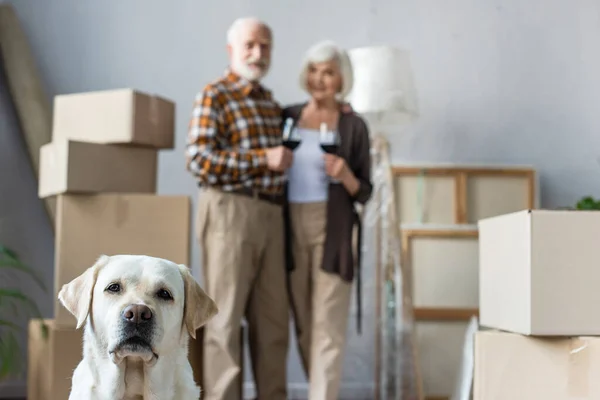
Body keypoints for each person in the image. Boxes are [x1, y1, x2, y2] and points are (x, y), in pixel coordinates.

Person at [185, 17, 292, 400]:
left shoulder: (271, 104)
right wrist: (263, 158)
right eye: (249, 45)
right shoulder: (215, 94)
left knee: (274, 324)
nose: (258, 53)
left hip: (272, 217)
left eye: (264, 46)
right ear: (232, 50)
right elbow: (198, 160)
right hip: (229, 213)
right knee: (224, 322)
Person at [282, 40, 373, 400]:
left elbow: (365, 190)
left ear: (342, 79)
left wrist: (346, 175)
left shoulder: (354, 126)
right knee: (304, 326)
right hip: (288, 228)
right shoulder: (286, 116)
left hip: (333, 229)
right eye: (314, 70)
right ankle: (319, 391)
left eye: (329, 72)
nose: (320, 79)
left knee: (328, 327)